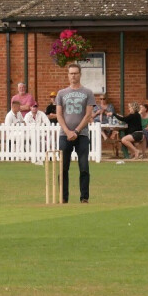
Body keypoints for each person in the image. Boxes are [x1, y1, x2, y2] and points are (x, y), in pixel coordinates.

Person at [56, 63, 95, 203]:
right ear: (68, 75)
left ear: (80, 74)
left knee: (84, 166)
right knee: (63, 167)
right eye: (71, 73)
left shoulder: (88, 93)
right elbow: (59, 115)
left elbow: (88, 115)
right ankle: (63, 197)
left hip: (82, 134)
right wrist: (67, 131)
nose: (73, 76)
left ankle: (84, 197)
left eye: (75, 73)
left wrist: (76, 131)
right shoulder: (61, 93)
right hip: (64, 134)